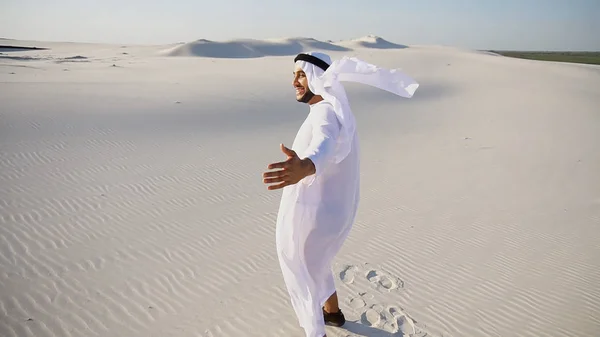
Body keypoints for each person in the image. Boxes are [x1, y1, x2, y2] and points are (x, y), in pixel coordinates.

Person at [262, 51, 419, 337]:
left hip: (320, 208)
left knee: (301, 265)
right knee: (314, 260)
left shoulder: (325, 113)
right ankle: (332, 314)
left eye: (301, 75)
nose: (295, 81)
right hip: (326, 206)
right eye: (294, 75)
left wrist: (307, 166)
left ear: (317, 78)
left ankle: (315, 332)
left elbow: (323, 143)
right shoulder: (330, 109)